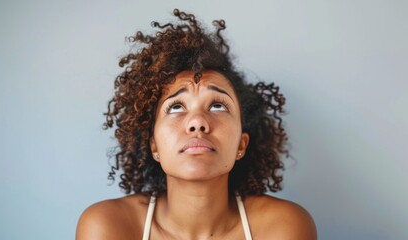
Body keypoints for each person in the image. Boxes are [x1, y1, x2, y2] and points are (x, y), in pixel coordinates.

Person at [76, 9, 316, 240]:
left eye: (218, 106)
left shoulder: (283, 226)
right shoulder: (108, 225)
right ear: (154, 147)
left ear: (241, 144)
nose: (197, 122)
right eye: (176, 107)